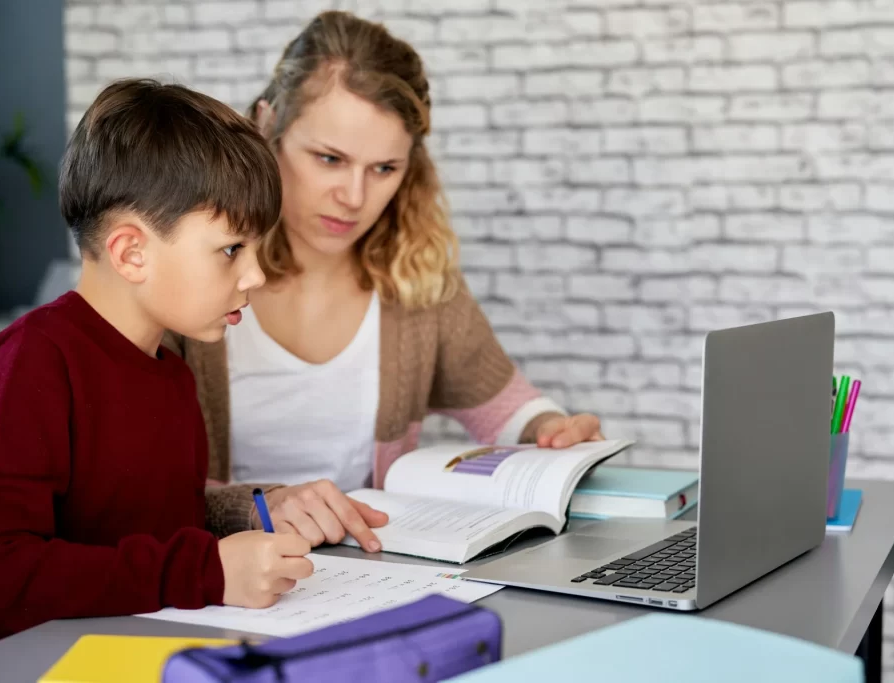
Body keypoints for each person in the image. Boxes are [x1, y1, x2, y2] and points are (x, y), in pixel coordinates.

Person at [170, 10, 607, 554]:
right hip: (218, 585)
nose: (355, 197)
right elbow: (138, 491)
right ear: (267, 124)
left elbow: (505, 407)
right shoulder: (186, 269)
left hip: (374, 576)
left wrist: (553, 430)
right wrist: (265, 505)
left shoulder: (415, 278)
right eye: (330, 159)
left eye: (383, 169)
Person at [0, 79, 313, 663]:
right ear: (131, 252)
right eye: (233, 249)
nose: (256, 275)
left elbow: (141, 560)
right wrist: (203, 569)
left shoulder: (174, 376)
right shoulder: (31, 365)